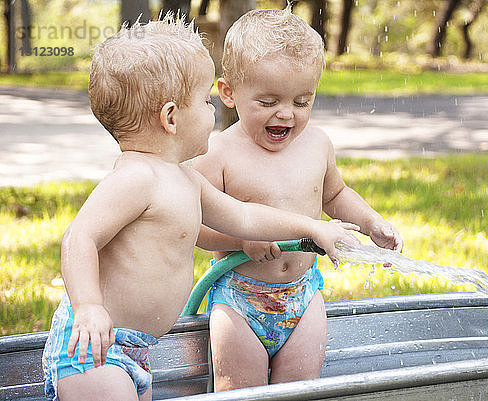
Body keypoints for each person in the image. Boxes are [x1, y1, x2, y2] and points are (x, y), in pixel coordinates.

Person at [41, 15, 358, 401]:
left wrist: (311, 227)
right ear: (171, 117)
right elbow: (80, 236)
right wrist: (88, 306)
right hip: (94, 346)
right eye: (205, 101)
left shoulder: (186, 180)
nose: (213, 112)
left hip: (136, 349)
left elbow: (244, 216)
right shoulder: (137, 178)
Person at [193, 7, 403, 392]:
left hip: (304, 296)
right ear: (228, 92)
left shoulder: (317, 145)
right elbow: (194, 226)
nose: (286, 114)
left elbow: (335, 194)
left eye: (302, 101)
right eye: (268, 101)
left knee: (301, 389)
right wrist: (239, 240)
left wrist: (373, 222)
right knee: (241, 392)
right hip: (240, 299)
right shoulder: (218, 153)